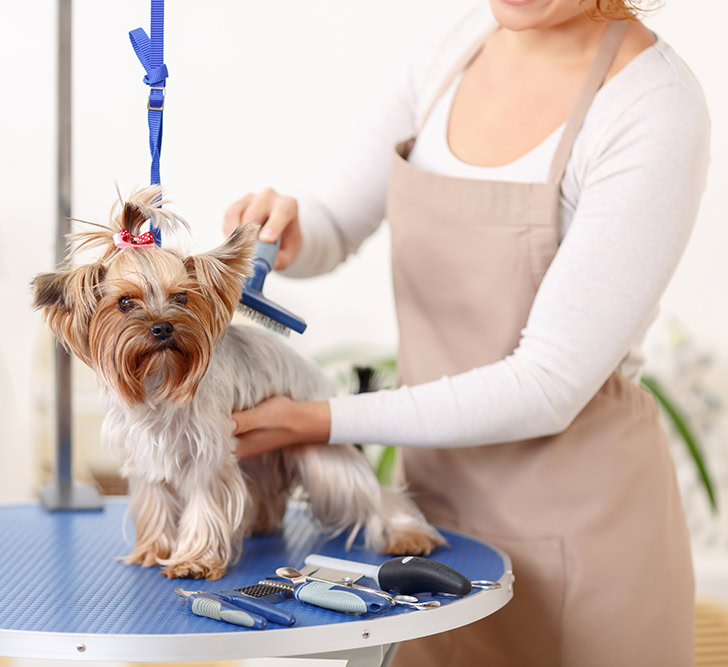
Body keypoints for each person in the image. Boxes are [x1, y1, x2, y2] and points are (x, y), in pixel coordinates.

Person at [223, 0, 710, 665]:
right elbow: (335, 226)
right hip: (434, 526)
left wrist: (315, 419)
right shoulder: (453, 49)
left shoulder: (652, 108)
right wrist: (289, 233)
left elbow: (546, 384)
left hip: (583, 540)